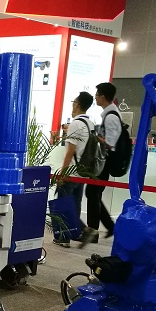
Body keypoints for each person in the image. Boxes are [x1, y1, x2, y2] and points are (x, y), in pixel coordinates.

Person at [53, 92, 94, 247]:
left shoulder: (75, 124)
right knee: (75, 204)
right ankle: (76, 233)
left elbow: (70, 151)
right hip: (83, 171)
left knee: (63, 204)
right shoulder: (90, 123)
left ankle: (67, 236)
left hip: (71, 171)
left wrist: (62, 173)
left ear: (77, 104)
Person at [82, 82, 120, 244]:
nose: (95, 97)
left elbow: (111, 143)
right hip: (104, 161)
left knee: (92, 193)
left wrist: (95, 137)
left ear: (103, 97)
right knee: (93, 193)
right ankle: (105, 227)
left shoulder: (111, 117)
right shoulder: (109, 114)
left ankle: (95, 230)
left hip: (104, 162)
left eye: (97, 95)